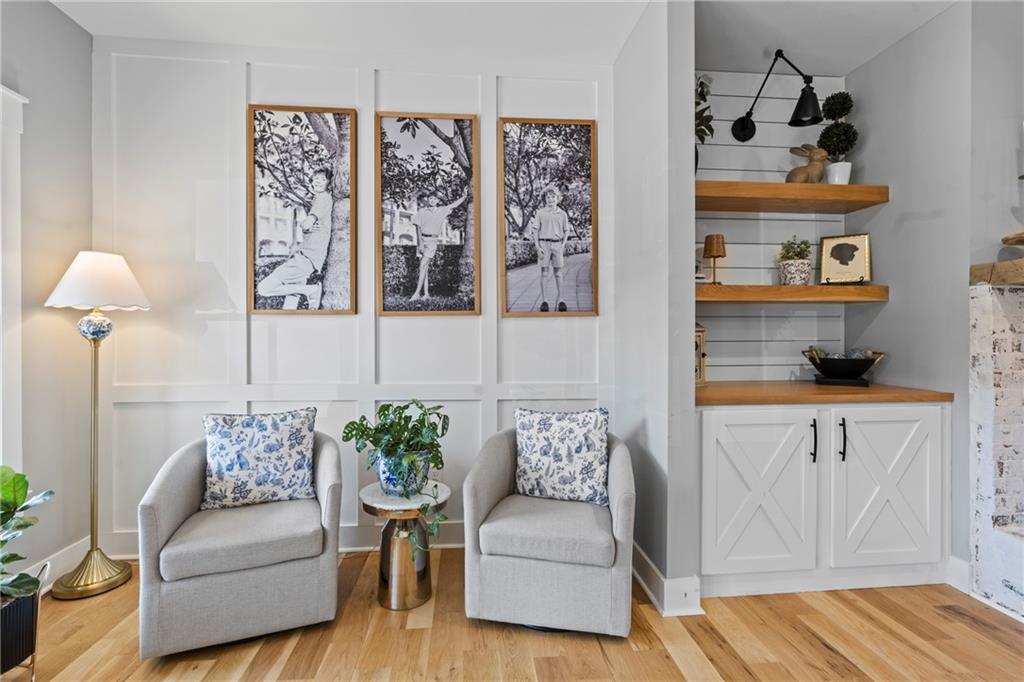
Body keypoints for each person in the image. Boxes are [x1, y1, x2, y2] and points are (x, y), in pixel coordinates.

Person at [257, 168, 333, 310]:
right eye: (316, 177)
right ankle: (306, 294)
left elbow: (306, 224)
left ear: (329, 183)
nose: (318, 181)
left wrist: (304, 225)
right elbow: (310, 227)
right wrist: (307, 228)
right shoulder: (322, 199)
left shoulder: (323, 198)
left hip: (305, 258)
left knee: (264, 288)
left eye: (323, 179)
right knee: (291, 300)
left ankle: (311, 291)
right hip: (310, 258)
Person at [410, 187, 468, 301]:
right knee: (424, 268)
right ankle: (426, 294)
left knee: (422, 266)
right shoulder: (421, 211)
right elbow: (417, 227)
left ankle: (416, 294)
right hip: (422, 240)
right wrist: (420, 243)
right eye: (430, 198)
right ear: (428, 199)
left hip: (432, 241)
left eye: (434, 199)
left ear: (437, 201)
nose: (432, 200)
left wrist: (464, 196)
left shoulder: (442, 210)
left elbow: (454, 205)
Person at [532, 186, 572, 312]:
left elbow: (566, 231)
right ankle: (544, 301)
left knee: (558, 274)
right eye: (548, 197)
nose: (551, 199)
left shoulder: (562, 214)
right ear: (544, 199)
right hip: (544, 244)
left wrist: (562, 245)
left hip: (557, 245)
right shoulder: (540, 213)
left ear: (557, 198)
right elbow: (535, 231)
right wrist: (537, 247)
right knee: (544, 273)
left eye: (553, 197)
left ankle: (561, 300)